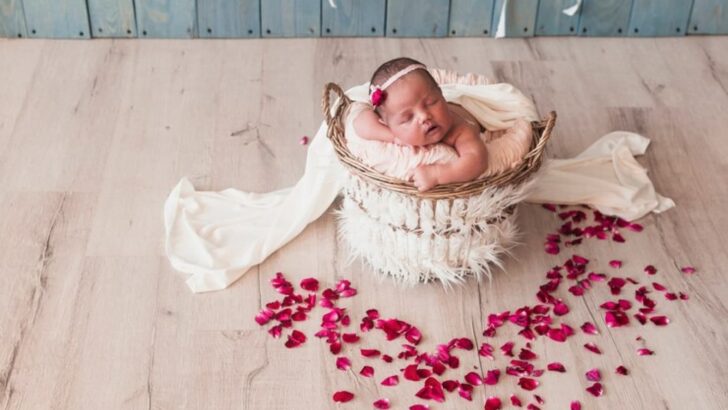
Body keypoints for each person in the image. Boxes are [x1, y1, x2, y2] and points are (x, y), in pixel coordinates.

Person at [352, 57, 488, 191]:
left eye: (431, 103)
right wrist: (393, 137)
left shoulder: (459, 129)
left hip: (464, 108)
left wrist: (437, 174)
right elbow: (360, 123)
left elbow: (478, 161)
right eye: (408, 118)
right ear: (387, 124)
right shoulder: (392, 128)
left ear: (441, 95)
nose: (424, 116)